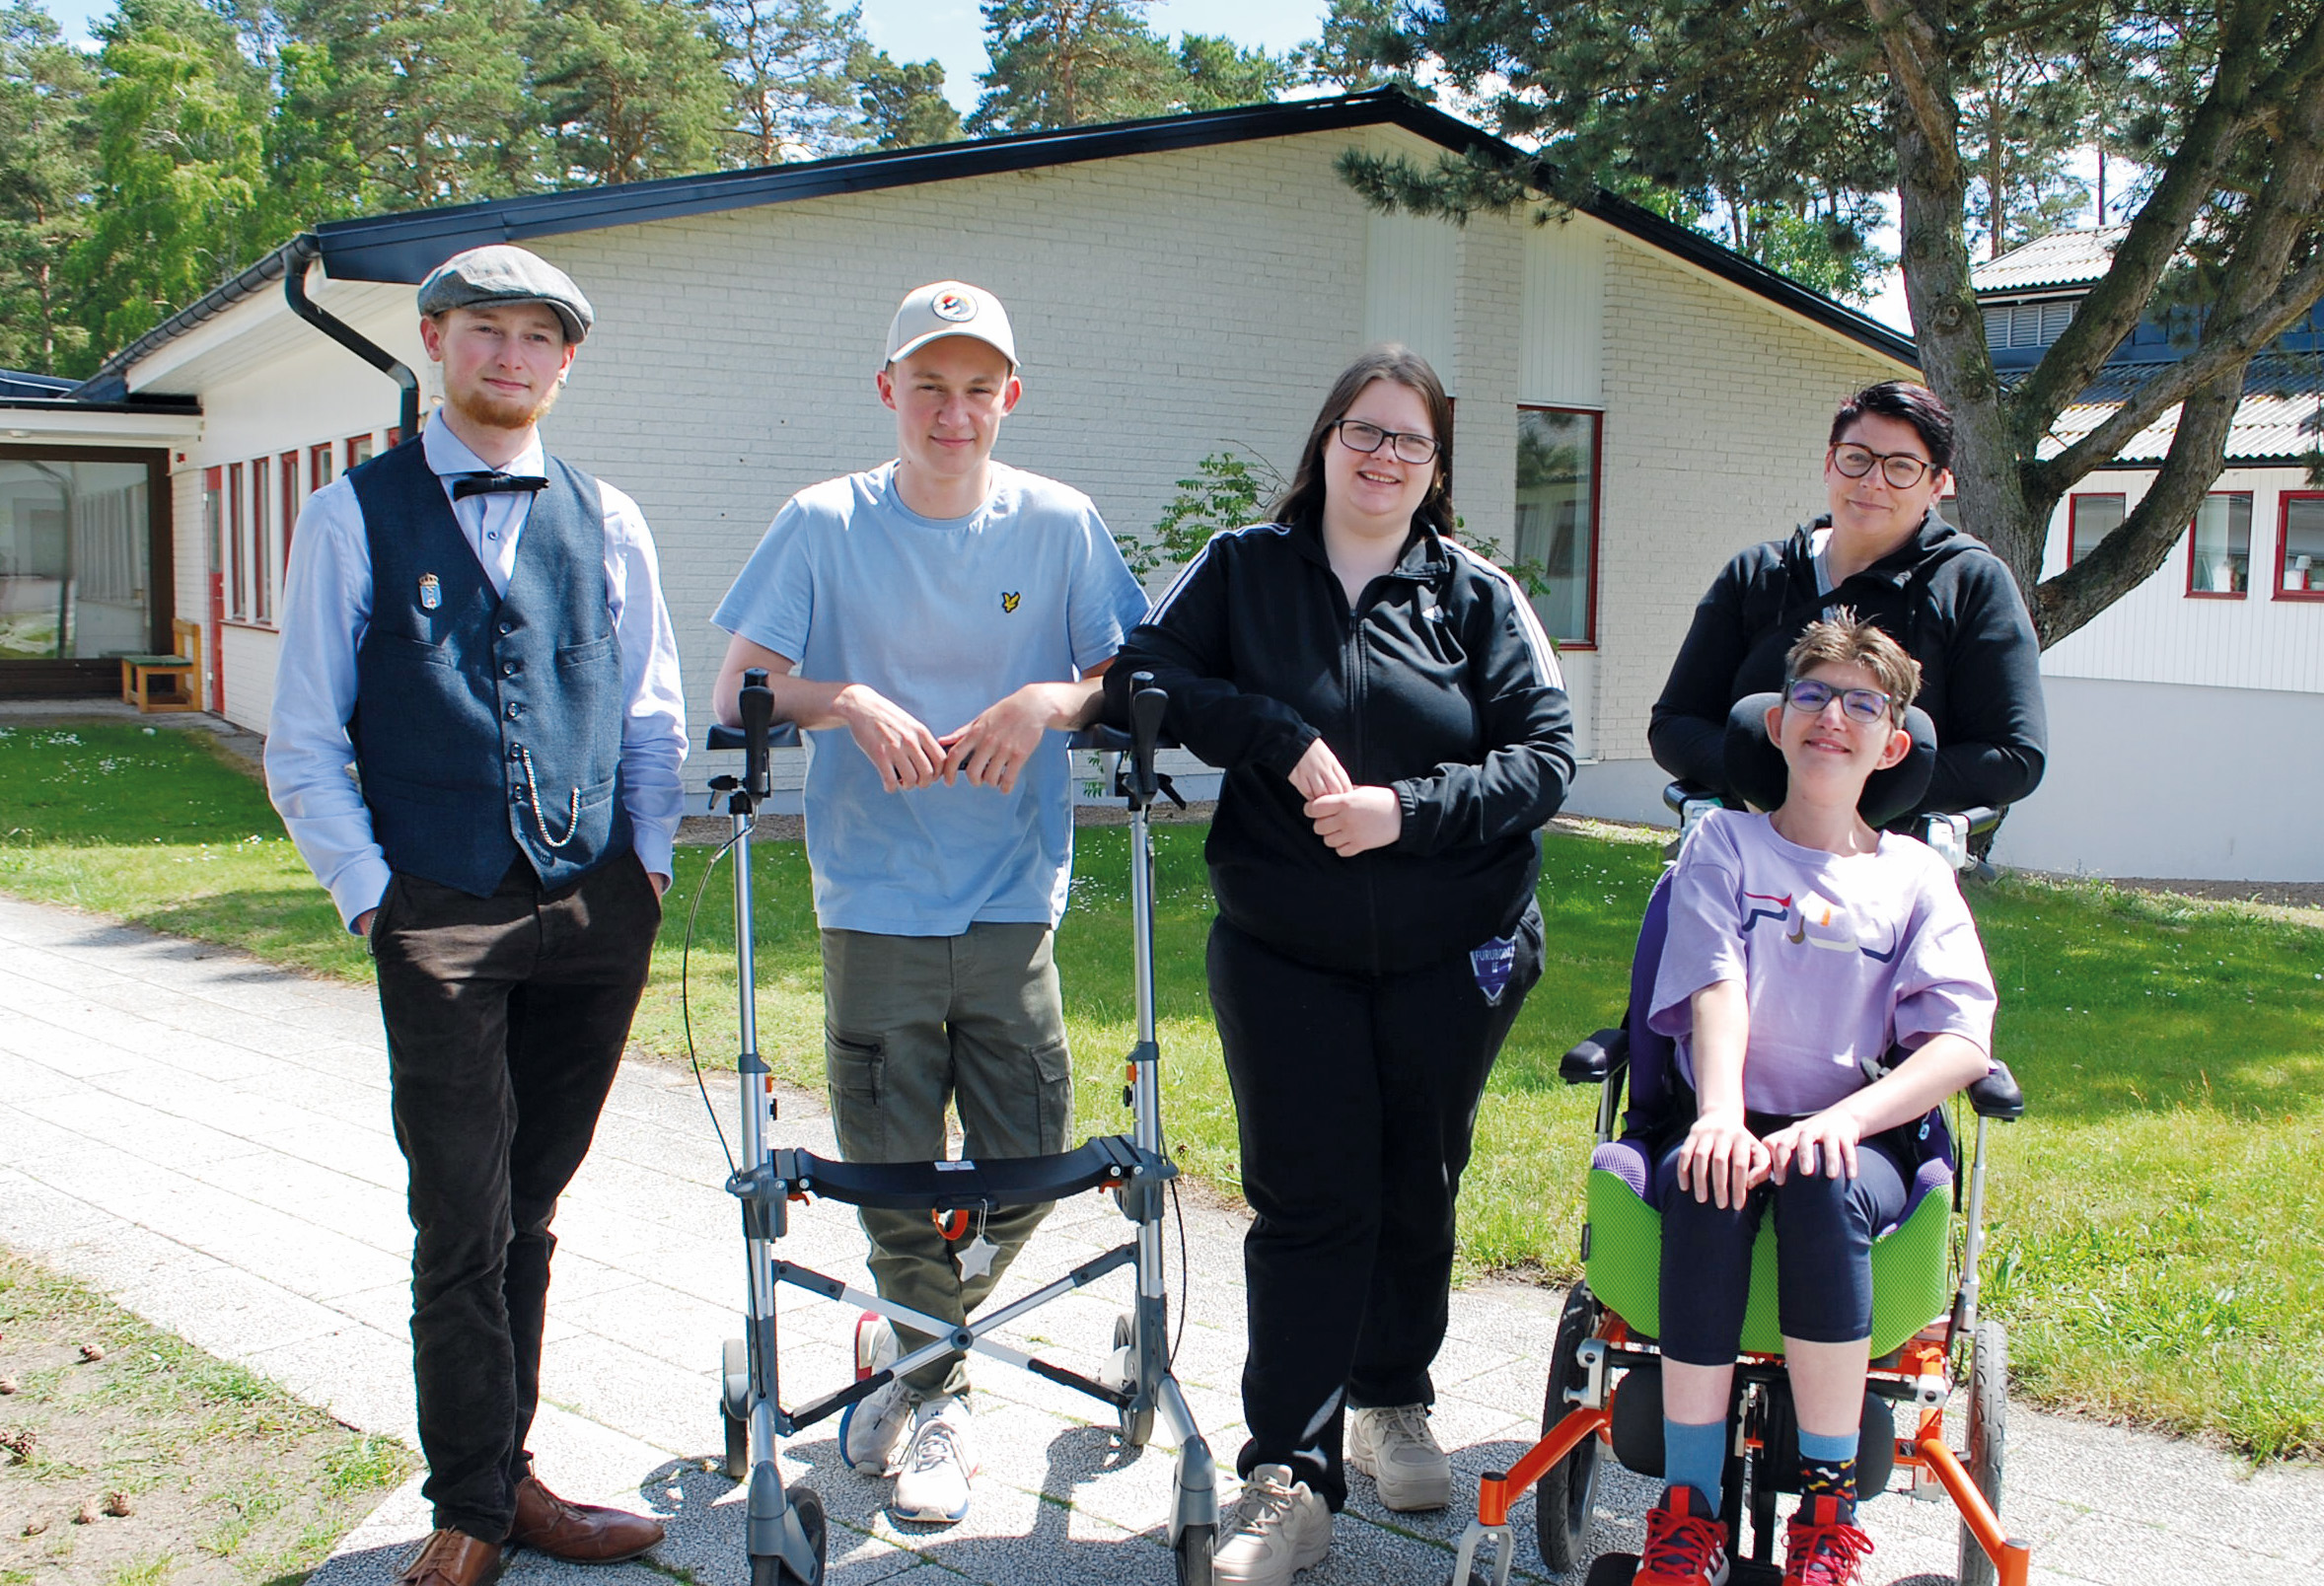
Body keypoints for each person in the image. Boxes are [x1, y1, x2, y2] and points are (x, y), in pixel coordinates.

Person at [1111, 345, 1577, 1586]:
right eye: (1363, 433)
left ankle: (1391, 1401)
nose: (1383, 458)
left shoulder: (1476, 595)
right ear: (1323, 441)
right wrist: (1275, 732)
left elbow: (1546, 759)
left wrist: (1406, 812)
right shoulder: (1241, 569)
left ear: (1435, 471)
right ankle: (1290, 1472)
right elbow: (1137, 678)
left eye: (1410, 443)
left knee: (1419, 1175)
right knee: (1313, 1196)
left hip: (1456, 945)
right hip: (1286, 951)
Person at [265, 246, 687, 1586]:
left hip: (591, 908)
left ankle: (511, 1477)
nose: (513, 356)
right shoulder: (351, 513)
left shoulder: (611, 517)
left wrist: (649, 866)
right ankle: (471, 1506)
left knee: (531, 1204)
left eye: (540, 337)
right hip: (436, 908)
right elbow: (302, 740)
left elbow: (651, 713)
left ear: (568, 363)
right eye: (486, 332)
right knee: (460, 1214)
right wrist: (375, 896)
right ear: (438, 341)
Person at [707, 280, 1148, 1527]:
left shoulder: (1059, 524)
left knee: (1037, 1158)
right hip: (872, 892)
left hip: (1014, 889)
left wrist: (1046, 703)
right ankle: (942, 1396)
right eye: (928, 386)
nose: (952, 412)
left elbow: (1127, 670)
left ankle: (912, 1345)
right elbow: (741, 679)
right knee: (891, 1165)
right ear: (887, 391)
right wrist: (840, 699)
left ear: (1009, 398)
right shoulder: (820, 522)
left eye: (976, 389)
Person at [1633, 612, 1997, 1586]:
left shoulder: (1917, 877)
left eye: (1860, 704)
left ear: (1892, 743)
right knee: (1707, 1175)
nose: (1832, 717)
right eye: (1811, 695)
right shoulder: (1724, 850)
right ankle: (1688, 1506)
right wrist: (1715, 1113)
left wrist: (1842, 1121)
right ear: (1777, 723)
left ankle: (1826, 1516)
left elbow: (1961, 1039)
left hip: (1857, 1135)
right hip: (1732, 1111)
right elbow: (1715, 985)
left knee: (1822, 1179)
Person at [1649, 381, 2046, 825]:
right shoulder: (1757, 575)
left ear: (1938, 485)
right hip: (1749, 845)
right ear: (1829, 464)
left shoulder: (1971, 583)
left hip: (1893, 861)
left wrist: (1851, 799)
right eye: (1856, 458)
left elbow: (2014, 757)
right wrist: (1777, 790)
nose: (1872, 482)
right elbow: (1675, 724)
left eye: (1901, 467)